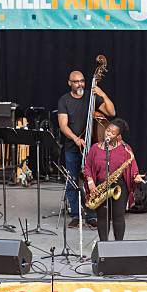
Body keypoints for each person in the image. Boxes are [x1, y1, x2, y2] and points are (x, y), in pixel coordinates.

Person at [58, 70, 115, 228]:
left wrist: (102, 94)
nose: (80, 84)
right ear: (69, 83)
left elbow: (112, 111)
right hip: (72, 147)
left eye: (82, 81)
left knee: (93, 182)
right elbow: (63, 125)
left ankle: (91, 214)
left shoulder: (92, 97)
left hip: (92, 148)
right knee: (72, 182)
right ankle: (76, 215)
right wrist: (76, 139)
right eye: (76, 82)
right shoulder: (64, 100)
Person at [84, 118, 145, 241]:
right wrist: (91, 183)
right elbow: (87, 167)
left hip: (119, 186)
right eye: (108, 130)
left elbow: (132, 166)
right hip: (100, 185)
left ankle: (118, 246)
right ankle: (104, 246)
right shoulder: (95, 148)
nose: (108, 134)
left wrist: (136, 176)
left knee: (118, 216)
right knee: (102, 217)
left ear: (118, 136)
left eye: (112, 132)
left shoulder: (125, 149)